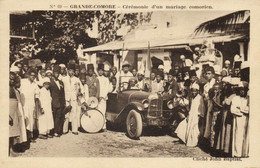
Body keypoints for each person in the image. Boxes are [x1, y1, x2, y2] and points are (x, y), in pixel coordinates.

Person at [62, 63, 84, 135]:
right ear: (67, 71)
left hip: (74, 99)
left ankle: (74, 129)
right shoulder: (64, 79)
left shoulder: (76, 79)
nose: (71, 72)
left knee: (74, 114)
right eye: (70, 70)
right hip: (67, 98)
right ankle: (65, 129)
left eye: (72, 71)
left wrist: (80, 93)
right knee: (66, 114)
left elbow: (82, 89)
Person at [19, 68, 40, 143]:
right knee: (23, 119)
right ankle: (22, 138)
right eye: (31, 75)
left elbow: (37, 95)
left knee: (31, 120)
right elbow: (18, 90)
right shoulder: (23, 81)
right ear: (28, 75)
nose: (33, 77)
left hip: (31, 104)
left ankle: (29, 137)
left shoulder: (35, 84)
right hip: (23, 104)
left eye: (34, 76)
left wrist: (36, 106)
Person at [231, 84, 249, 157]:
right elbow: (233, 109)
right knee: (238, 135)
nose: (242, 91)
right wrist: (242, 111)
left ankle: (244, 153)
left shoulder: (248, 99)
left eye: (244, 90)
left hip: (247, 119)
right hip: (238, 118)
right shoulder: (235, 98)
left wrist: (241, 108)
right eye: (241, 89)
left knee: (246, 135)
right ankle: (237, 153)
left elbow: (249, 109)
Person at [49, 65, 66, 137]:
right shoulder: (50, 82)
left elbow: (63, 93)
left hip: (60, 103)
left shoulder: (61, 82)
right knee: (52, 117)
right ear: (53, 73)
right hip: (53, 102)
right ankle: (51, 131)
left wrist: (64, 102)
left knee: (58, 117)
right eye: (55, 73)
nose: (56, 74)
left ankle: (56, 131)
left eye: (58, 73)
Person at [97, 64, 111, 131]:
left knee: (102, 111)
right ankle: (97, 126)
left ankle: (103, 126)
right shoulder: (96, 78)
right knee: (96, 112)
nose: (100, 72)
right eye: (99, 71)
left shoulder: (106, 79)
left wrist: (102, 96)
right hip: (96, 98)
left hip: (103, 99)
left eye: (102, 71)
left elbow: (107, 89)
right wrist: (97, 96)